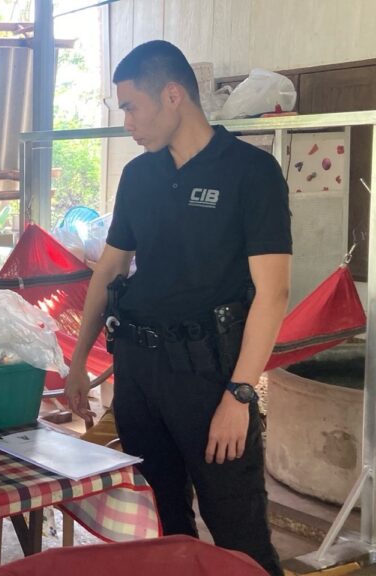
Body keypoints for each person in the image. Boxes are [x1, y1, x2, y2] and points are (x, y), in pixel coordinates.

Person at [64, 40, 290, 576]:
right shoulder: (140, 176)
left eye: (131, 107)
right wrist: (77, 362)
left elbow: (273, 293)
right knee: (163, 528)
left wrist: (239, 394)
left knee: (238, 537)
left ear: (172, 96)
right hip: (141, 375)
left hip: (210, 379)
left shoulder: (250, 172)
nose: (127, 123)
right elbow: (110, 270)